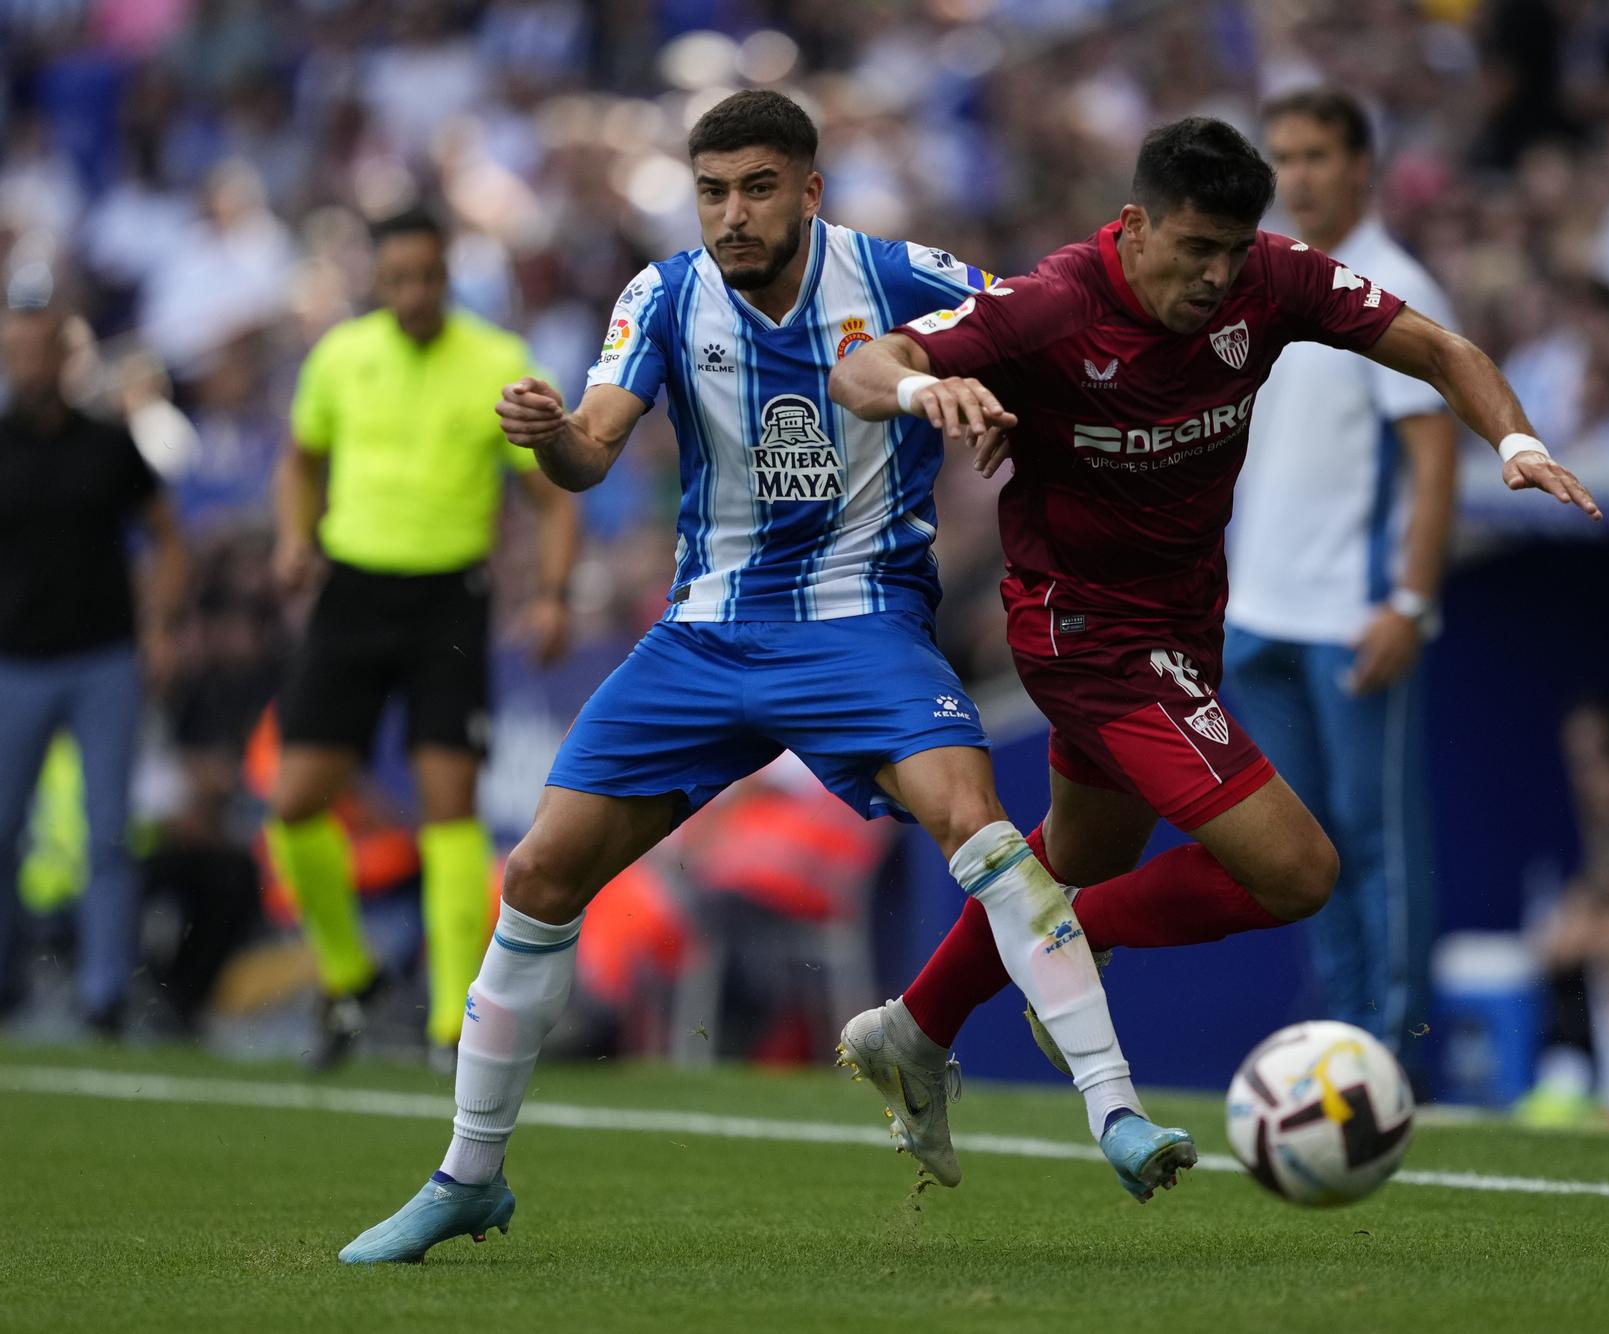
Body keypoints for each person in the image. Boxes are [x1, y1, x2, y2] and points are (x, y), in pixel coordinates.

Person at [339, 91, 1188, 1267]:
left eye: (754, 188)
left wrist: (1006, 403)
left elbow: (1037, 333)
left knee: (975, 820)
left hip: (860, 627)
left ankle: (1114, 1106)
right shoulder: (665, 291)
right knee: (535, 870)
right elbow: (591, 449)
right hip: (703, 636)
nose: (730, 215)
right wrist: (547, 435)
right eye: (711, 191)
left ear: (808, 190)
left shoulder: (897, 275)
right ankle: (466, 1175)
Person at [829, 116, 1598, 1173]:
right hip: (1082, 628)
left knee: (1083, 856)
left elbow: (1439, 349)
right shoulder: (1054, 303)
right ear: (1134, 224)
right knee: (1297, 870)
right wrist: (926, 388)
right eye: (1194, 247)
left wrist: (1513, 439)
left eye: (1232, 248)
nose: (1214, 273)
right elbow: (867, 366)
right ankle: (1069, 941)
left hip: (1185, 619)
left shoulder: (1271, 282)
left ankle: (913, 1028)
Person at [265, 208, 580, 1072]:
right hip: (352, 587)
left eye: (427, 278)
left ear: (447, 276)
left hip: (448, 596)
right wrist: (294, 539)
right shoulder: (341, 356)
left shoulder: (498, 362)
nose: (413, 294)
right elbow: (300, 458)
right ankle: (348, 978)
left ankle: (451, 1021)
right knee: (295, 802)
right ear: (377, 278)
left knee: (450, 808)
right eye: (397, 278)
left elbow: (552, 496)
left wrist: (552, 596)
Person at [1223, 89, 1460, 1064]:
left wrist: (1408, 600)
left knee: (1374, 840)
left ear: (1362, 164)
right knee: (1302, 857)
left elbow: (1436, 457)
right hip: (1257, 614)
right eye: (1284, 156)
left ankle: (1390, 1054)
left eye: (1318, 154)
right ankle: (1344, 1041)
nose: (1301, 175)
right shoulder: (1257, 281)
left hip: (1348, 615)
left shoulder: (1394, 287)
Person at [0, 283, 187, 1033]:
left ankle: (104, 993)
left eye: (38, 347)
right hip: (13, 658)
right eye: (14, 348)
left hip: (104, 658)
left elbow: (168, 536)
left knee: (109, 832)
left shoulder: (109, 443)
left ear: (65, 355)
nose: (26, 362)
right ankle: (8, 984)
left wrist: (161, 624)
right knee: (1, 829)